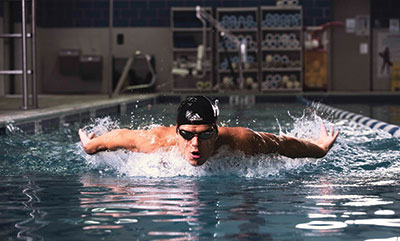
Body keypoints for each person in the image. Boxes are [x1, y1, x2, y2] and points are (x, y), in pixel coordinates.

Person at [79, 96, 339, 166]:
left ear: (215, 132)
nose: (194, 144)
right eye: (187, 134)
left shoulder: (241, 141)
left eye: (204, 135)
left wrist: (320, 148)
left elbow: (284, 145)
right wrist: (91, 146)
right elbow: (122, 137)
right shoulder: (157, 141)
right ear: (177, 130)